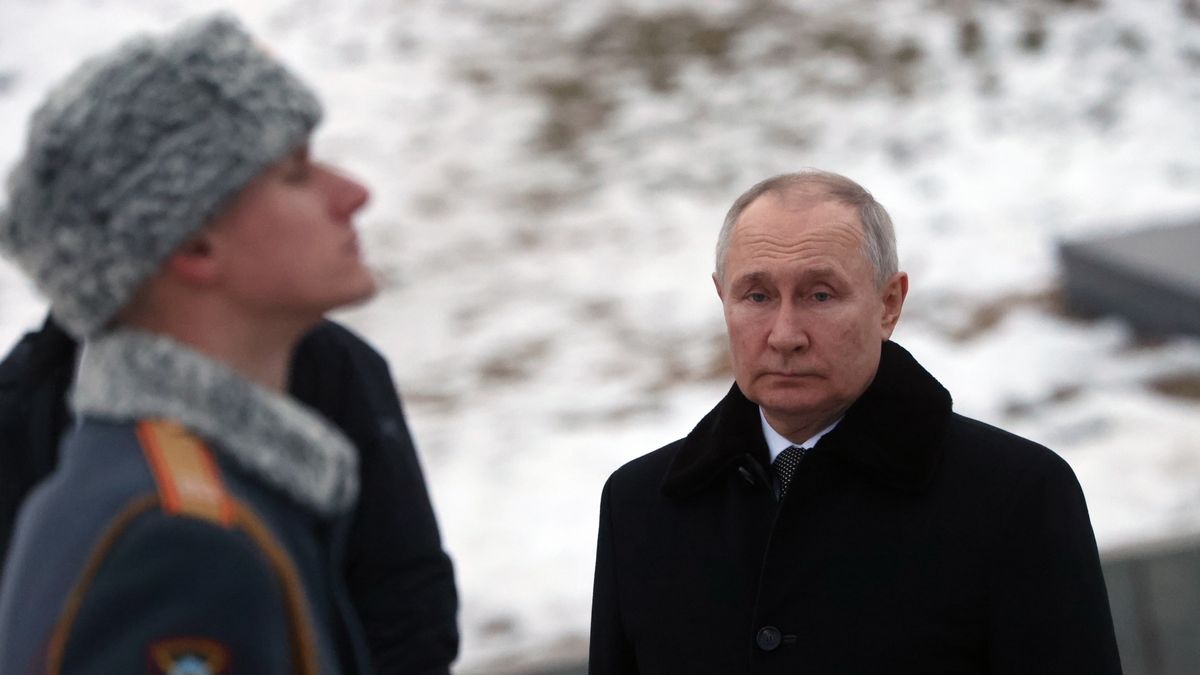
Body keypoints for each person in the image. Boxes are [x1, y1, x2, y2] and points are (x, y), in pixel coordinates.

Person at [0, 14, 454, 673]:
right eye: (296, 173)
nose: (354, 194)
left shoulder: (148, 485)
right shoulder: (179, 540)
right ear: (193, 243)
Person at [588, 170, 1122, 673]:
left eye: (820, 295)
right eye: (756, 296)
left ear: (889, 304)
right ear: (721, 299)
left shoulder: (1016, 497)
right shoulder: (639, 508)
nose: (784, 334)